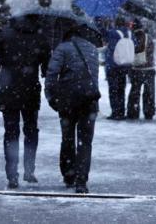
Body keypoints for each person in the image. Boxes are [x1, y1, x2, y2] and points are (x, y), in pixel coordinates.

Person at [0, 15, 51, 189]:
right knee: (31, 130)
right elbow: (46, 68)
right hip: (30, 90)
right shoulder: (39, 37)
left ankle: (12, 175)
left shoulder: (5, 35)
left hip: (8, 90)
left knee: (11, 133)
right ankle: (29, 170)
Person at [45, 27, 100, 193]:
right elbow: (94, 76)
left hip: (68, 101)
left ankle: (69, 175)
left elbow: (51, 75)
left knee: (67, 138)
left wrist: (51, 98)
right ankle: (81, 181)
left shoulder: (62, 48)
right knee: (85, 142)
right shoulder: (92, 49)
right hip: (89, 99)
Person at [104, 16, 134, 120]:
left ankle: (115, 112)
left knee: (113, 90)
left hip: (113, 65)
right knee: (121, 89)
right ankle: (121, 111)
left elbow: (109, 45)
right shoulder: (130, 34)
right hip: (125, 65)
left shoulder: (113, 33)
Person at [127, 19, 156, 120]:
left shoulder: (133, 38)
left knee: (135, 91)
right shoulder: (149, 37)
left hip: (136, 69)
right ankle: (149, 112)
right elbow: (151, 51)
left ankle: (133, 112)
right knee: (149, 92)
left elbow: (132, 51)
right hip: (149, 68)